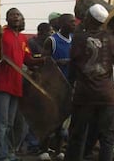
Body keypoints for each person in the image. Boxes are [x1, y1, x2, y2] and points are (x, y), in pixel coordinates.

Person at [65, 4, 114, 161]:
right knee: (107, 138)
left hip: (84, 96)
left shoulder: (78, 38)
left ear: (89, 19)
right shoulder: (112, 38)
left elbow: (73, 66)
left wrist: (69, 88)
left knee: (77, 136)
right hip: (107, 97)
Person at [0, 8, 44, 161]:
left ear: (22, 19)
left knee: (9, 123)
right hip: (2, 83)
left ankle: (8, 152)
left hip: (16, 84)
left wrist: (44, 60)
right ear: (7, 19)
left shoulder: (22, 38)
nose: (16, 17)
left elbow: (27, 59)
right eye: (12, 15)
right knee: (1, 122)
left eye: (18, 15)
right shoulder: (1, 33)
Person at [37, 14, 75, 161]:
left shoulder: (74, 40)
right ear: (62, 24)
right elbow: (43, 61)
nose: (74, 24)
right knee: (50, 119)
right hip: (53, 85)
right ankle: (43, 149)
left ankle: (59, 150)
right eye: (71, 22)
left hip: (69, 85)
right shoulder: (52, 40)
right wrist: (58, 63)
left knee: (63, 120)